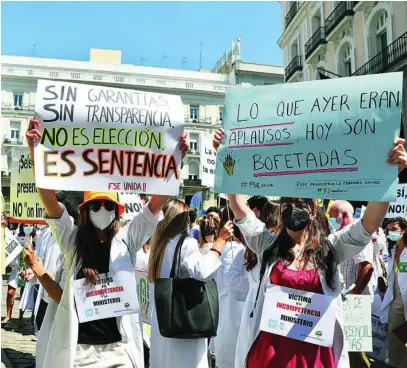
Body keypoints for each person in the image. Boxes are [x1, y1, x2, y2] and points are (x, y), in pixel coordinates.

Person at [213, 128, 406, 368]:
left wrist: (388, 178)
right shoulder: (267, 244)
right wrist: (226, 159)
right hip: (270, 357)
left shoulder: (331, 248)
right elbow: (239, 206)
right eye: (287, 203)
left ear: (314, 211)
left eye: (300, 203)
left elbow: (368, 225)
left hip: (314, 358)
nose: (293, 208)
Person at [26, 118, 188, 368]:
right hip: (79, 352)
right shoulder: (73, 241)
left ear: (117, 210)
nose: (102, 209)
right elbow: (49, 199)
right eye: (95, 205)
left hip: (119, 351)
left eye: (108, 205)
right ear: (84, 210)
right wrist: (36, 152)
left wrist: (175, 159)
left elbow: (156, 202)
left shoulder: (127, 239)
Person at [148, 199, 233, 368]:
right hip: (184, 319)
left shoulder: (160, 243)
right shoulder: (185, 242)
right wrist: (219, 243)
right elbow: (202, 271)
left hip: (164, 317)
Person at [235, 200, 280, 368]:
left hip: (252, 303)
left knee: (248, 347)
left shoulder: (256, 241)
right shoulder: (271, 243)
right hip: (265, 303)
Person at [214, 207, 249, 368]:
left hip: (226, 312)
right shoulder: (235, 248)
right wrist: (256, 282)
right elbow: (231, 280)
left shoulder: (224, 246)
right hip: (232, 314)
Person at [329, 200, 375, 297]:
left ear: (344, 215)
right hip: (340, 295)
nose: (329, 219)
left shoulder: (358, 233)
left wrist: (354, 294)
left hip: (355, 299)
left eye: (331, 216)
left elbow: (367, 268)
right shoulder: (336, 233)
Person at [380, 217, 407, 368]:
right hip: (396, 299)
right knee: (395, 336)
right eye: (388, 229)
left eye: (394, 229)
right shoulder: (391, 250)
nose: (390, 232)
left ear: (404, 230)